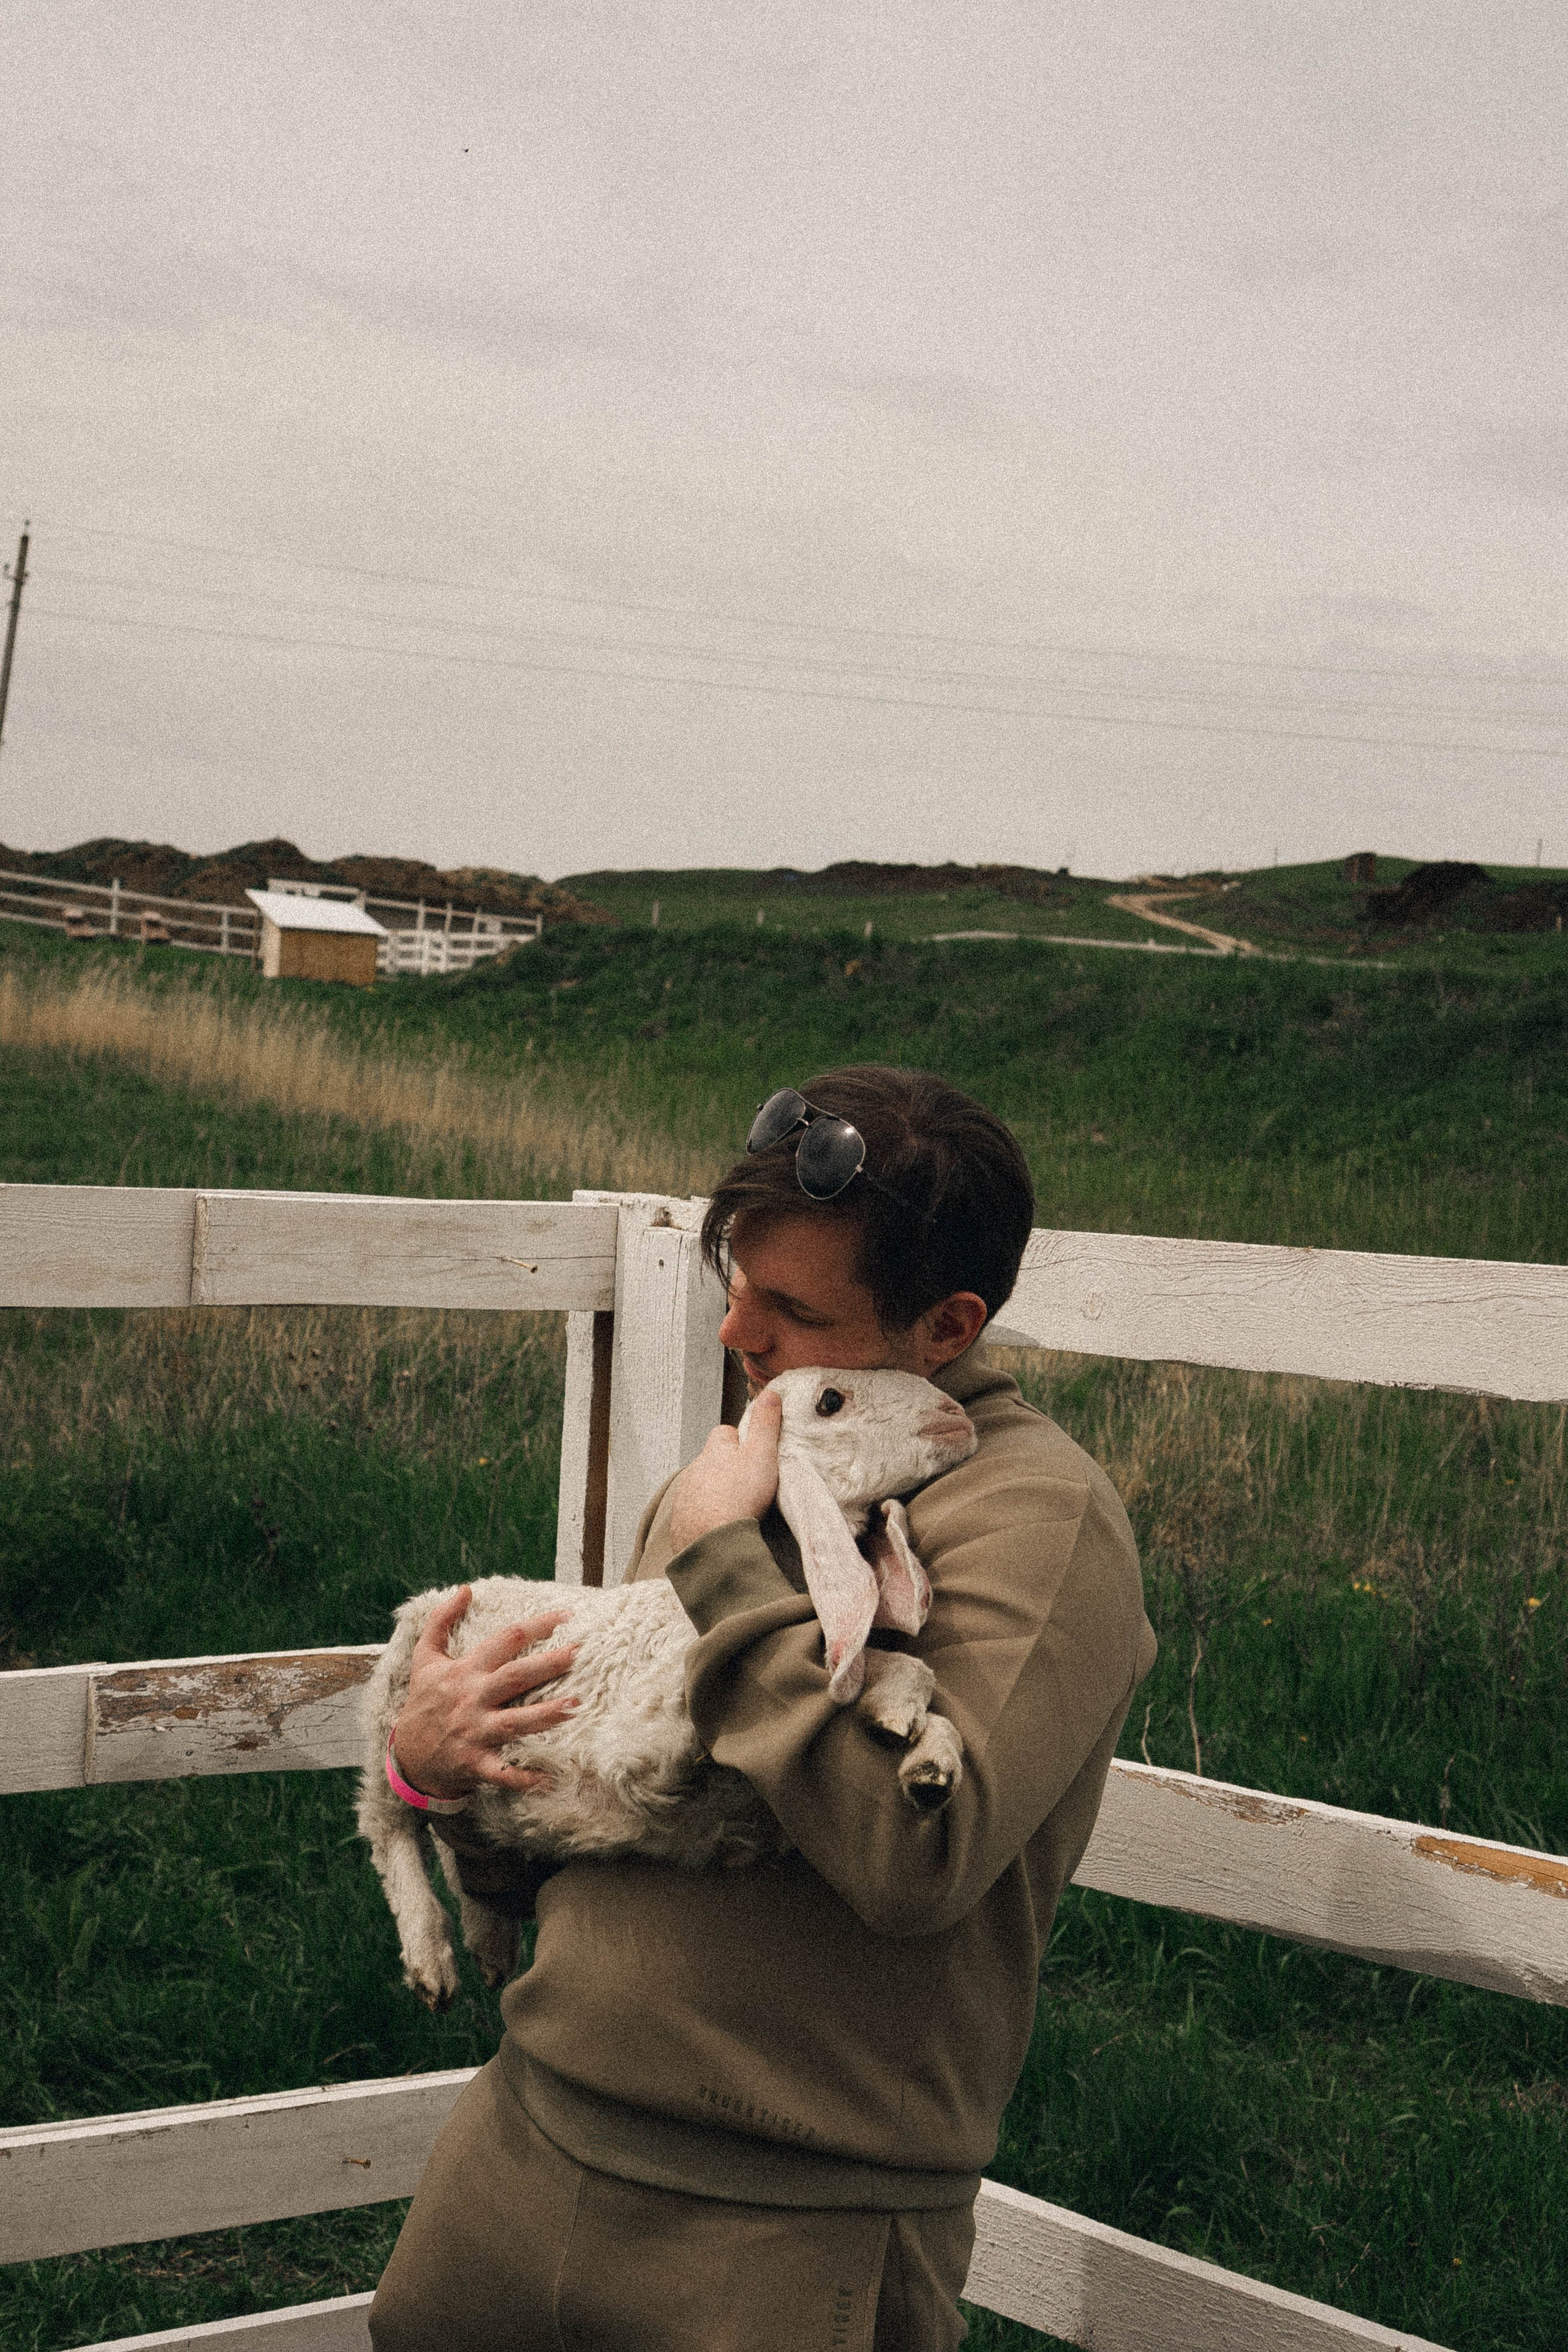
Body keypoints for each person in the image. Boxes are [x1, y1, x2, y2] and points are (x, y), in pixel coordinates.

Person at [369, 1065, 1154, 2352]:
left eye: (790, 1309)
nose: (737, 1336)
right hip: (522, 2147)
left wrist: (719, 1566)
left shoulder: (1031, 1522)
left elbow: (916, 1857)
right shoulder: (746, 1476)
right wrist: (439, 1779)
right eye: (735, 1285)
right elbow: (594, 1803)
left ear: (946, 1328)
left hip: (785, 2233)